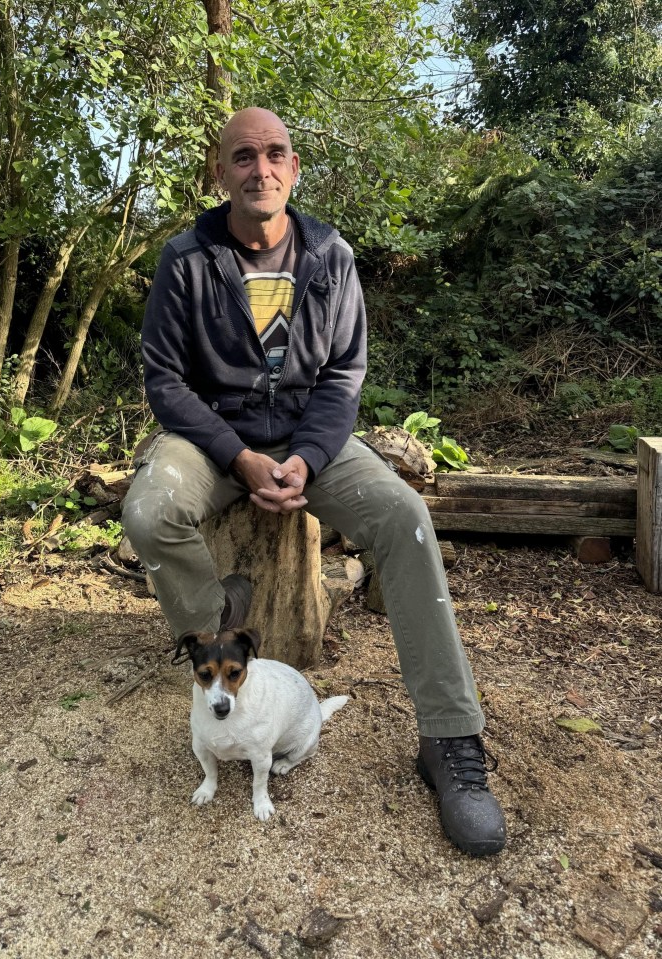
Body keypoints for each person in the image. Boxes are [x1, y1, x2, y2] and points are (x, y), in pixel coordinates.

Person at [122, 107, 506, 856]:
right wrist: (239, 457)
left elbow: (342, 375)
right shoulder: (186, 259)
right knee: (149, 511)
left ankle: (450, 740)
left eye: (274, 155)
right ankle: (218, 629)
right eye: (241, 156)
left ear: (293, 169)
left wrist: (305, 454)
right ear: (219, 171)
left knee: (404, 517)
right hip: (211, 441)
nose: (259, 169)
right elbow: (164, 380)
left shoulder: (330, 254)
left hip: (310, 441)